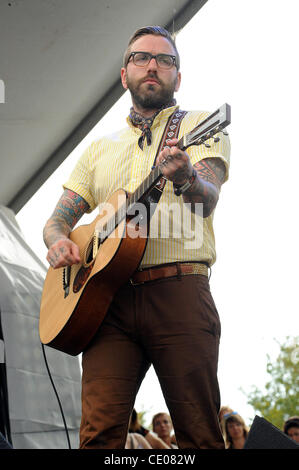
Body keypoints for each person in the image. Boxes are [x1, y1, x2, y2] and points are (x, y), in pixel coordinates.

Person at [43, 25, 230, 449]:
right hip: (105, 302)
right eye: (142, 57)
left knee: (199, 433)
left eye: (166, 60)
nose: (153, 66)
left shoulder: (199, 125)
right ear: (123, 74)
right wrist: (58, 240)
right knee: (98, 437)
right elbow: (57, 219)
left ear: (177, 78)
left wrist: (185, 178)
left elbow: (206, 199)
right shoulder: (98, 149)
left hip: (179, 291)